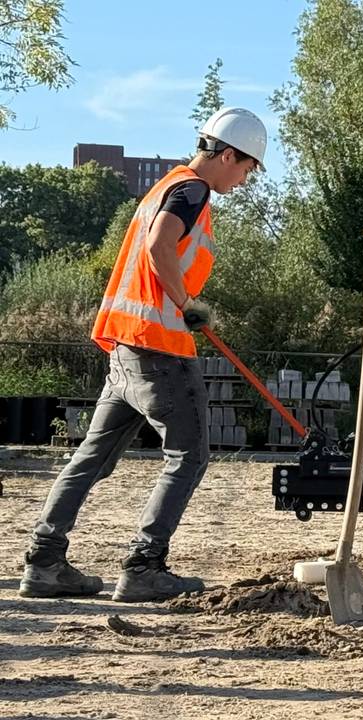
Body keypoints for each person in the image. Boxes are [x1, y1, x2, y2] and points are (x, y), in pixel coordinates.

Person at [19, 108, 267, 602]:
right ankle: (144, 566)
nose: (243, 180)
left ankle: (44, 562)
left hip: (127, 347)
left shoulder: (164, 188)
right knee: (189, 456)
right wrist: (187, 305)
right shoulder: (191, 189)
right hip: (159, 351)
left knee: (92, 457)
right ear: (227, 154)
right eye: (246, 168)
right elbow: (160, 246)